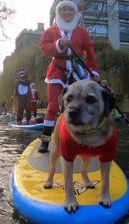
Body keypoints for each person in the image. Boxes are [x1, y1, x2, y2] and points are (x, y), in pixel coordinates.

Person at [38, 0, 100, 153]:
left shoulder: (82, 32)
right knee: (52, 107)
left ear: (75, 13)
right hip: (56, 72)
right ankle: (45, 140)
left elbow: (90, 53)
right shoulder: (51, 31)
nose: (66, 12)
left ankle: (76, 138)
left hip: (77, 72)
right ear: (58, 12)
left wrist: (94, 71)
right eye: (63, 9)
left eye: (69, 10)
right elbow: (45, 48)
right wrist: (58, 44)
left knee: (78, 106)